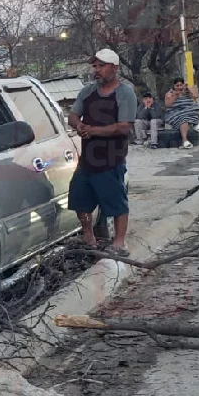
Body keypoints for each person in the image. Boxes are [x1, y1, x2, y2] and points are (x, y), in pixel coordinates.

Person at [67, 48, 137, 257]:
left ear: (115, 68)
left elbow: (124, 127)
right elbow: (72, 115)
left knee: (116, 203)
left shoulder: (125, 93)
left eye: (102, 66)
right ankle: (89, 238)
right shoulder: (87, 92)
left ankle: (119, 243)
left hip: (111, 159)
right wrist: (79, 125)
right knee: (79, 199)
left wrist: (93, 131)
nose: (97, 70)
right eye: (95, 66)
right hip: (87, 160)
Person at [164, 77, 199, 149]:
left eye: (181, 85)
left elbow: (196, 96)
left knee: (195, 109)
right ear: (174, 86)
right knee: (183, 119)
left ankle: (195, 123)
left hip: (188, 109)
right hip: (176, 111)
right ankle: (185, 140)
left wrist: (190, 89)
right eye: (177, 85)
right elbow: (168, 105)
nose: (179, 87)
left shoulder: (187, 91)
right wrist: (176, 95)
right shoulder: (170, 93)